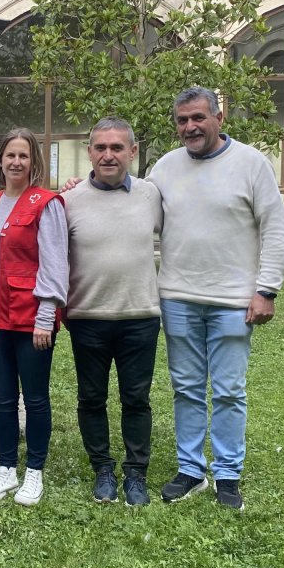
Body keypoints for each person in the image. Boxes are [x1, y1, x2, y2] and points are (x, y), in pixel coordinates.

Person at [148, 86, 284, 511]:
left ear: (218, 118)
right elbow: (136, 212)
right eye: (182, 120)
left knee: (229, 390)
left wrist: (267, 289)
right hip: (177, 297)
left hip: (233, 301)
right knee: (186, 388)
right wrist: (84, 189)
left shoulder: (251, 164)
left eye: (198, 117)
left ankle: (227, 474)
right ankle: (191, 470)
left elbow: (275, 228)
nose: (190, 127)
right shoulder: (165, 168)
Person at [61, 117, 163, 507]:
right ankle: (103, 469)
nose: (108, 155)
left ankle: (136, 473)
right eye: (100, 147)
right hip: (88, 317)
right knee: (91, 398)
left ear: (132, 152)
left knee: (136, 399)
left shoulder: (151, 195)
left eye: (117, 147)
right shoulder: (68, 201)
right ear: (89, 152)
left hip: (140, 316)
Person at [0, 128, 68, 507]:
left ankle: (34, 473)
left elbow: (55, 263)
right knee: (3, 397)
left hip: (30, 311)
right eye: (10, 155)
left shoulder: (46, 203)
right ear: (0, 161)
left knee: (36, 397)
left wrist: (46, 315)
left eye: (23, 155)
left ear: (33, 162)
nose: (16, 162)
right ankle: (6, 469)